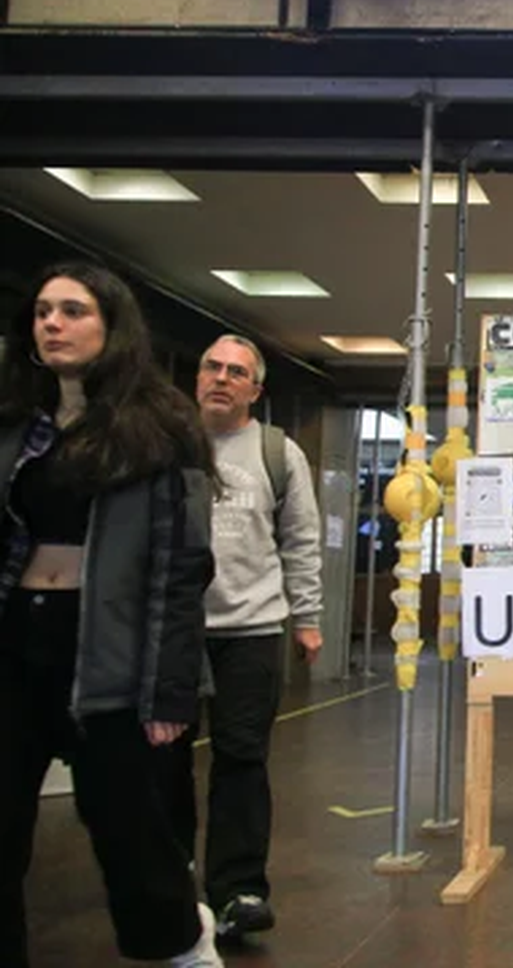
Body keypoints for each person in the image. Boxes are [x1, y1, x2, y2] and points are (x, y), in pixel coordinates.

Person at [0, 261, 222, 966]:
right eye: (42, 312)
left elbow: (182, 565)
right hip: (17, 639)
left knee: (128, 830)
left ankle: (185, 945)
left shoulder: (158, 428)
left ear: (112, 326)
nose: (53, 324)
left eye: (72, 311)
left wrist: (170, 688)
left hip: (109, 652)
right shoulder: (14, 426)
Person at [188, 333, 323, 940]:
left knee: (241, 761)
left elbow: (300, 538)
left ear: (254, 390)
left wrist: (309, 615)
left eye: (235, 372)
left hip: (252, 629)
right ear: (197, 377)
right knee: (160, 765)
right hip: (174, 633)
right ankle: (171, 880)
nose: (221, 378)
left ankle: (238, 890)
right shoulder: (164, 444)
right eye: (212, 367)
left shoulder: (276, 452)